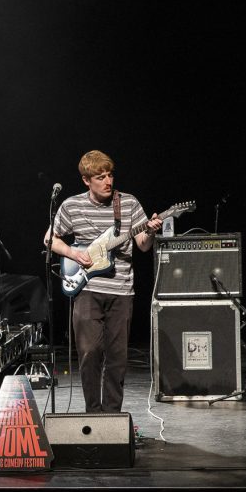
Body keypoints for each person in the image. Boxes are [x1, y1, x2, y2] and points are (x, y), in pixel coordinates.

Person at [45, 150, 162, 413]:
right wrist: (73, 253)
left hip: (121, 290)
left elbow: (143, 245)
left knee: (117, 358)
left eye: (110, 175)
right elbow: (50, 239)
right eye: (100, 177)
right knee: (89, 353)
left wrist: (151, 231)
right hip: (87, 289)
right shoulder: (72, 206)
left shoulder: (128, 203)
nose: (108, 181)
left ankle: (112, 417)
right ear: (86, 180)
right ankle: (93, 413)